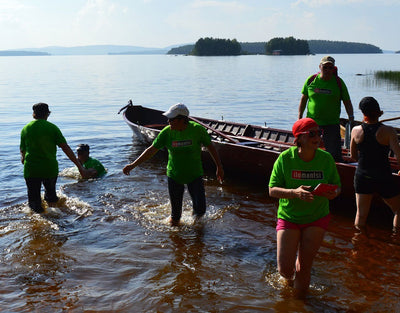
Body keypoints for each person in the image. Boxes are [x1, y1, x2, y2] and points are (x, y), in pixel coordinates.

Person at [269, 118, 341, 298]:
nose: (317, 137)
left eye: (319, 133)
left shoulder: (326, 158)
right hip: (289, 216)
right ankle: (289, 290)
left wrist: (334, 193)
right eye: (312, 133)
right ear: (299, 138)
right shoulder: (285, 158)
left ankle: (300, 303)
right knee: (285, 269)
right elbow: (272, 190)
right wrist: (295, 192)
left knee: (304, 267)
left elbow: (337, 186)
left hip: (317, 217)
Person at [123, 103, 224, 226]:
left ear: (182, 120)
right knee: (175, 217)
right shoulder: (166, 132)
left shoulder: (198, 130)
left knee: (200, 212)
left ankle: (197, 238)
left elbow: (211, 147)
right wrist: (133, 165)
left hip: (195, 175)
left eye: (171, 119)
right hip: (174, 176)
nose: (168, 121)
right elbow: (151, 150)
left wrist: (219, 167)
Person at [20, 102, 89, 213]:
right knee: (51, 198)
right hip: (49, 169)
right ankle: (55, 217)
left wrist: (24, 159)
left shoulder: (25, 129)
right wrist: (80, 167)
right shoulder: (52, 128)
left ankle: (37, 224)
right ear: (48, 114)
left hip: (31, 169)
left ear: (34, 114)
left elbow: (23, 152)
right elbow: (66, 149)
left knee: (34, 202)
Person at [350, 97, 400, 233]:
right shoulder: (389, 131)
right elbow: (398, 155)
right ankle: (396, 240)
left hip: (363, 176)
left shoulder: (355, 130)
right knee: (398, 210)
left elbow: (353, 156)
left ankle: (357, 245)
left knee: (361, 214)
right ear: (378, 112)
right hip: (383, 176)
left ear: (363, 113)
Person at [298, 55, 354, 162]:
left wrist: (351, 117)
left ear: (334, 69)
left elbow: (347, 102)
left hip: (331, 124)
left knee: (334, 155)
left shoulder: (339, 83)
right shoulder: (311, 80)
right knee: (309, 150)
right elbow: (303, 99)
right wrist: (300, 117)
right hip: (312, 124)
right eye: (325, 67)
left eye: (330, 68)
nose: (328, 70)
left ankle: (334, 172)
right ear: (320, 67)